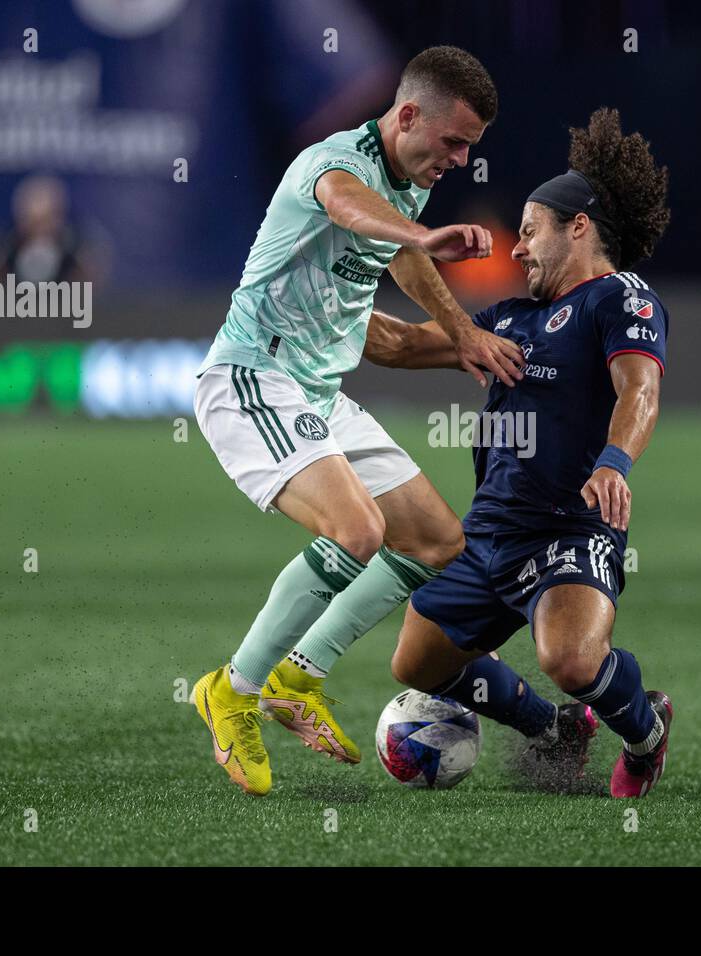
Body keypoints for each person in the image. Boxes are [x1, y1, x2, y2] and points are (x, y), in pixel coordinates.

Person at [191, 46, 525, 797]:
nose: (461, 159)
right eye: (453, 142)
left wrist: (465, 334)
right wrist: (418, 237)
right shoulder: (335, 162)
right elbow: (349, 205)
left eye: (470, 147)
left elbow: (399, 259)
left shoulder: (404, 188)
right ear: (408, 116)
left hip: (317, 395)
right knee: (359, 530)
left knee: (437, 541)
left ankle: (294, 673)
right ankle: (232, 691)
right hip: (254, 379)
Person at [372, 108, 675, 797]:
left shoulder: (619, 298)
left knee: (568, 658)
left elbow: (640, 390)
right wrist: (306, 305)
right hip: (489, 537)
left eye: (531, 231)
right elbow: (396, 344)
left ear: (579, 227)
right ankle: (554, 727)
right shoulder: (508, 319)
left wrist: (614, 463)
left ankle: (646, 732)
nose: (518, 247)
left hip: (570, 528)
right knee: (415, 663)